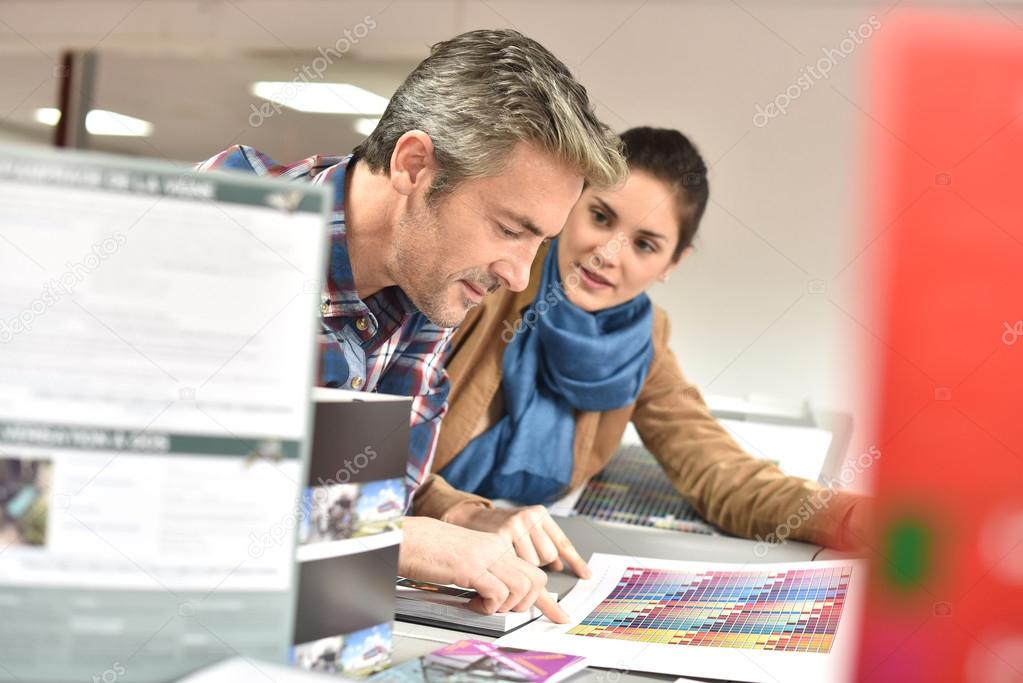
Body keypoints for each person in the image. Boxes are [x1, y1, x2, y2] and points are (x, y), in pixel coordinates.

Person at [199, 29, 627, 619]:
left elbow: (369, 489)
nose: (520, 276)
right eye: (509, 228)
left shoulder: (425, 277)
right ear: (414, 164)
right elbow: (127, 488)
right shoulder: (222, 226)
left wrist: (446, 516)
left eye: (540, 242)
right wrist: (392, 539)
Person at [413, 127, 869, 576]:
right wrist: (463, 513)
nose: (608, 254)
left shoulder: (641, 340)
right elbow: (367, 451)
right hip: (405, 540)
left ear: (673, 263)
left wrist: (851, 517)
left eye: (645, 244)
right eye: (601, 218)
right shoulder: (485, 280)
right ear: (571, 206)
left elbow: (716, 469)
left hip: (516, 567)